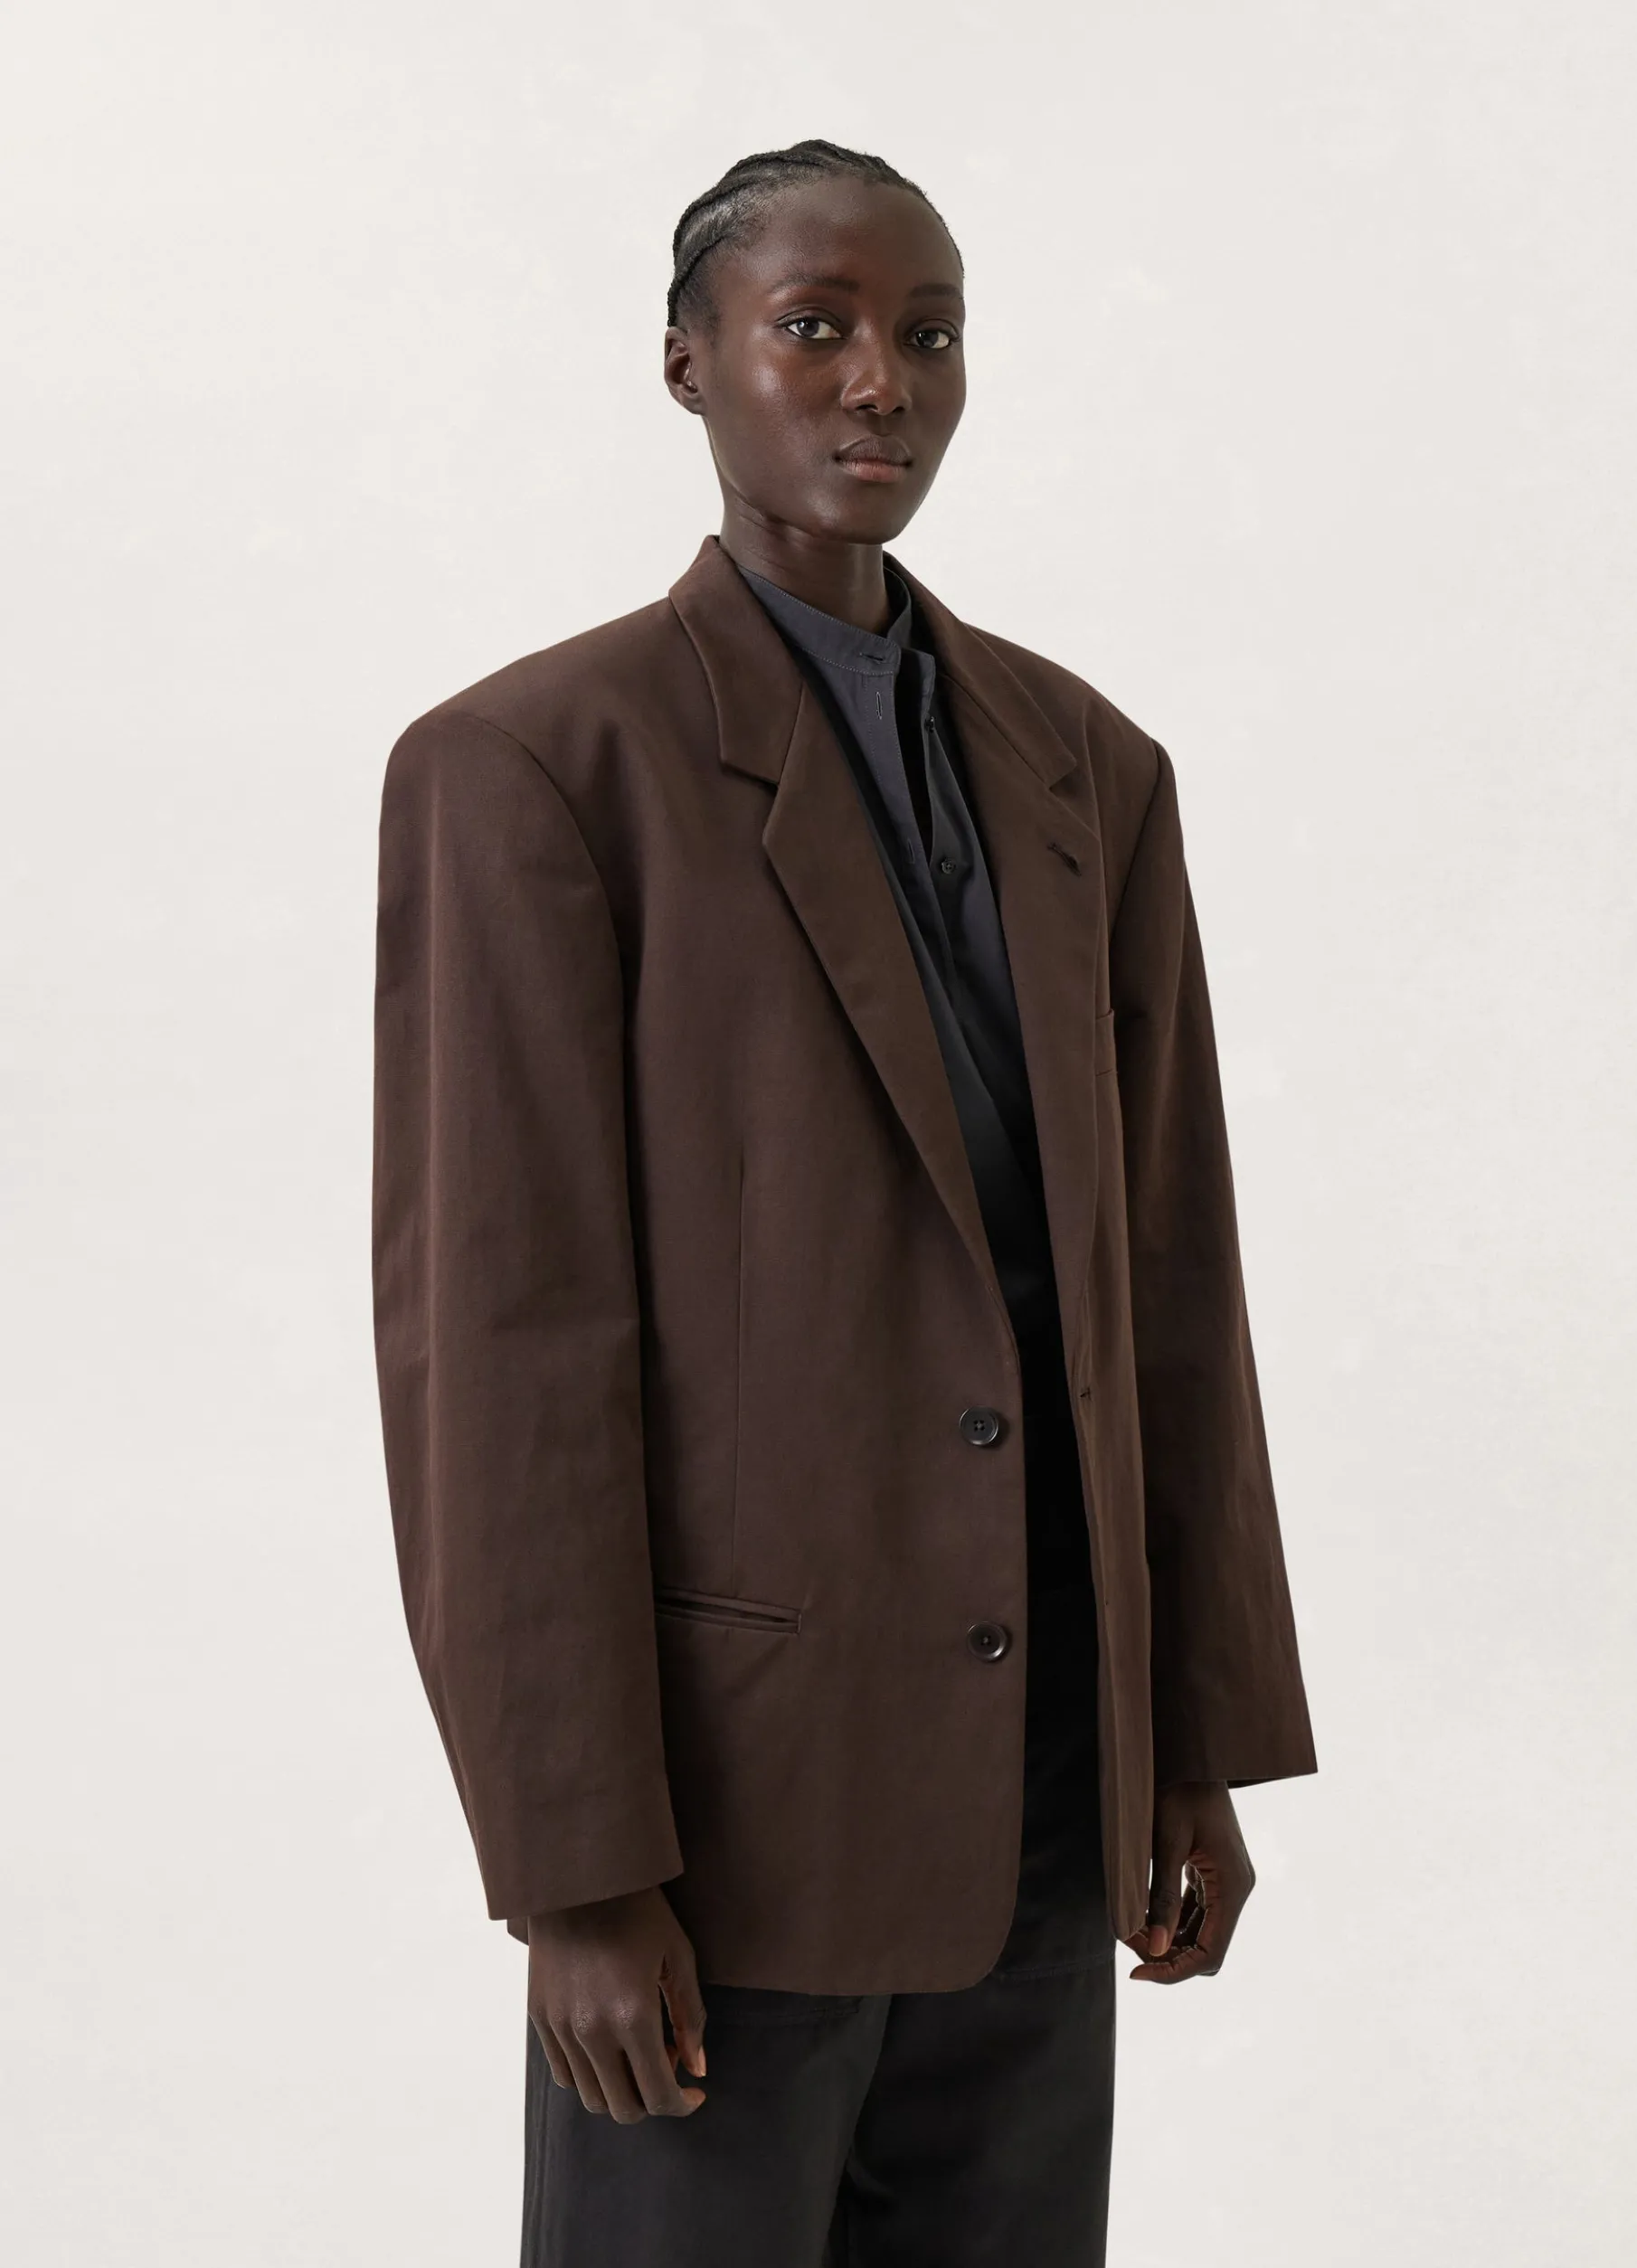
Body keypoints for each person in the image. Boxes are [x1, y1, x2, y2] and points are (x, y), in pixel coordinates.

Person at [372, 138, 1316, 2268]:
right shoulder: (535, 767)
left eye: (926, 334)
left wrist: (1187, 1744)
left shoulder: (1087, 766)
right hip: (731, 1814)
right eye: (813, 328)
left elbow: (1166, 1278)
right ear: (687, 365)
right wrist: (571, 1866)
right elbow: (504, 1352)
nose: (880, 381)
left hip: (1045, 1783)